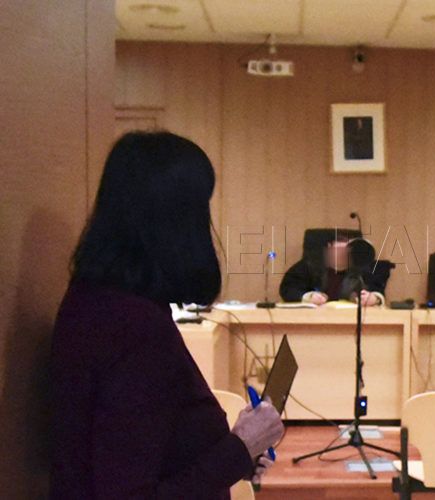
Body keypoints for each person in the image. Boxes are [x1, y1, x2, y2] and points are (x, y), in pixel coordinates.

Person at [50, 131, 284, 498]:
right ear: (176, 223)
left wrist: (238, 451)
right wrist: (239, 449)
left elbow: (153, 449)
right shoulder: (134, 328)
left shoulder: (93, 300)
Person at [279, 233, 390, 306]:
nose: (343, 254)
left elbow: (377, 289)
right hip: (313, 318)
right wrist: (308, 297)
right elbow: (287, 288)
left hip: (349, 320)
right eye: (340, 249)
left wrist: (374, 298)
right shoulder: (309, 264)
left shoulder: (362, 269)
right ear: (329, 247)